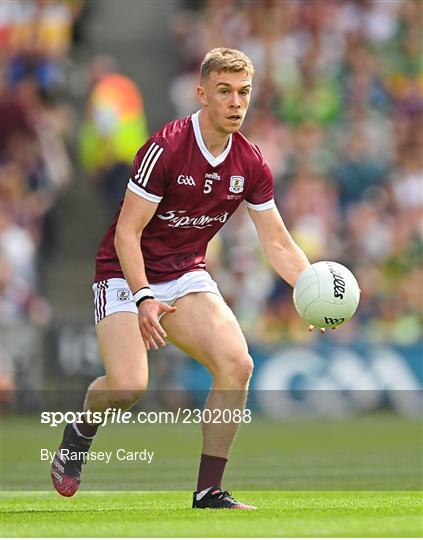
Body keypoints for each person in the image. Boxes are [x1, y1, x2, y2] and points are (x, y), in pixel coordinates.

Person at [51, 47, 318, 509]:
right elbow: (127, 233)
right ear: (201, 94)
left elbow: (276, 242)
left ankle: (209, 490)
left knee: (238, 364)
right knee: (129, 386)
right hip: (124, 273)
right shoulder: (167, 147)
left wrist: (310, 289)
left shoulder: (251, 163)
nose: (236, 103)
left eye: (244, 93)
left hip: (185, 274)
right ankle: (81, 429)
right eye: (225, 92)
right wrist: (143, 297)